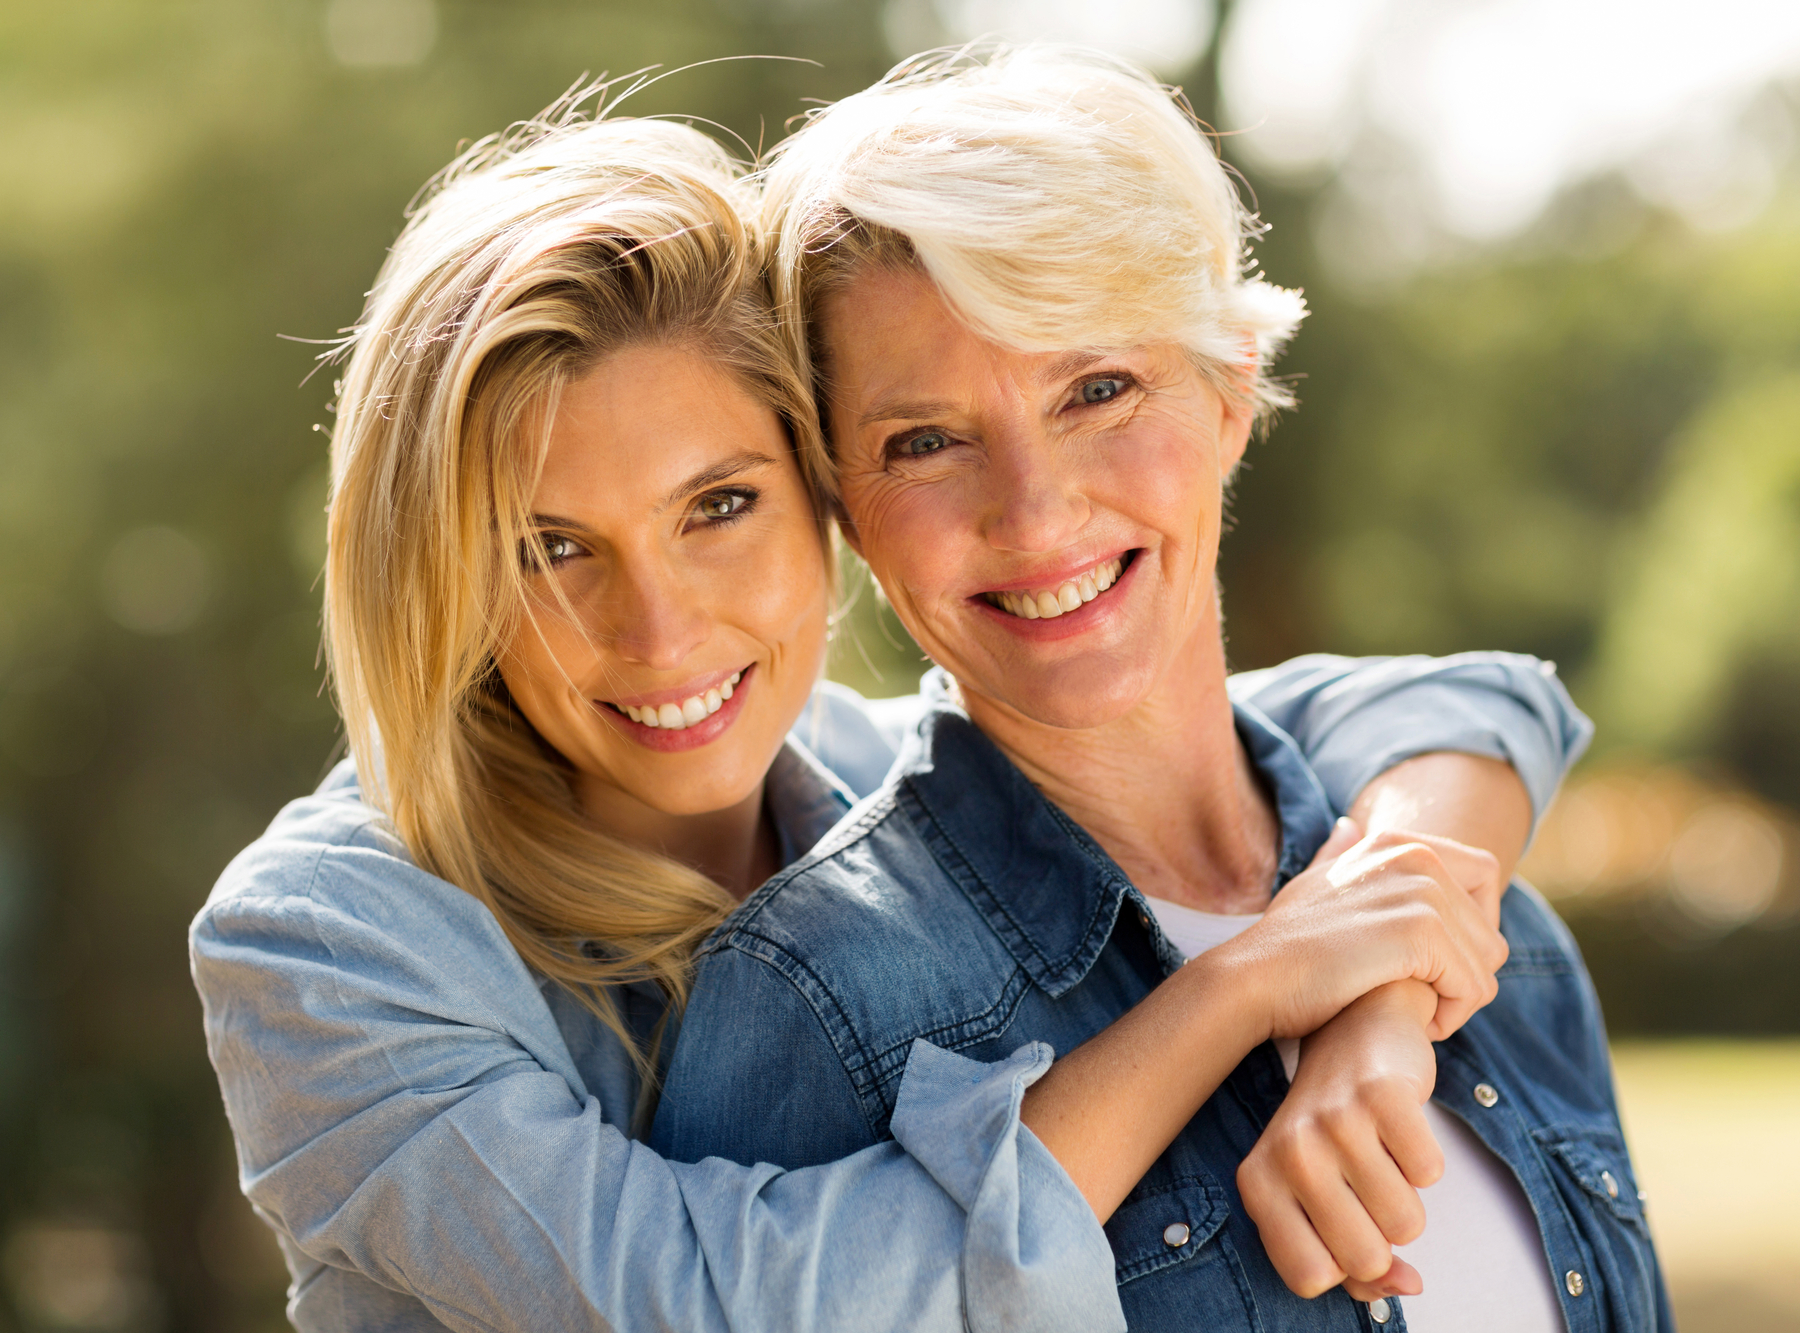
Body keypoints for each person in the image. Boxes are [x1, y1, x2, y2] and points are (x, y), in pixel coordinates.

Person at [193, 96, 1593, 1333]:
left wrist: (1378, 1002)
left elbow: (1439, 705)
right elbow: (703, 1308)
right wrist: (1240, 988)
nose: (661, 629)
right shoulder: (327, 944)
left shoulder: (871, 777)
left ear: (816, 502)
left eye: (717, 506)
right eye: (545, 547)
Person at [652, 47, 1671, 1333]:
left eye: (1097, 388)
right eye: (924, 441)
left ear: (1232, 384)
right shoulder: (815, 996)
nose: (1032, 512)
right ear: (844, 505)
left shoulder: (1487, 934)